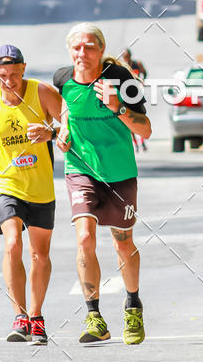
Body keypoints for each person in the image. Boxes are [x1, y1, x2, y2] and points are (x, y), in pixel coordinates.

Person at [54, 23, 152, 344]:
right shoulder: (62, 79)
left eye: (90, 47)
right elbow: (66, 107)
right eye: (77, 47)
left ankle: (132, 305)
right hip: (81, 171)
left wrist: (117, 107)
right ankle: (93, 315)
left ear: (100, 50)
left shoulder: (123, 81)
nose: (83, 53)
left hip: (120, 173)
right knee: (84, 238)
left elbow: (146, 130)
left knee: (123, 242)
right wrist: (64, 131)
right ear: (70, 50)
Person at [0, 44, 62, 344]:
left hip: (41, 186)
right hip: (5, 184)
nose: (8, 81)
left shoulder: (42, 93)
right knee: (13, 243)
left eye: (14, 75)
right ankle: (19, 315)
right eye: (2, 75)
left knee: (40, 255)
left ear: (24, 70)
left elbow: (69, 124)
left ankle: (36, 317)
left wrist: (52, 133)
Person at [121, 48, 148, 153]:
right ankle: (135, 143)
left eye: (127, 56)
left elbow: (144, 73)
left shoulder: (137, 64)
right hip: (126, 94)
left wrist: (142, 81)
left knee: (140, 115)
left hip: (137, 93)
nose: (126, 58)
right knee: (130, 118)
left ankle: (142, 141)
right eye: (124, 57)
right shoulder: (121, 66)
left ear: (130, 56)